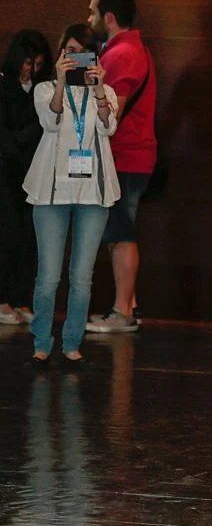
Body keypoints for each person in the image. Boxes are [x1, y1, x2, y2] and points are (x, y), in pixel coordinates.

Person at [24, 24, 120, 367]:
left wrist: (96, 91)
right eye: (69, 52)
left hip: (92, 191)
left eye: (82, 53)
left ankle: (72, 342)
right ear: (60, 54)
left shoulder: (105, 91)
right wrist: (63, 82)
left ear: (93, 57)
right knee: (48, 276)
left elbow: (108, 127)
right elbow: (50, 122)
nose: (74, 59)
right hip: (50, 191)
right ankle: (41, 341)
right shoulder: (45, 89)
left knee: (82, 276)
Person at [85, 0, 157, 333]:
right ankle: (129, 306)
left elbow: (111, 115)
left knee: (120, 233)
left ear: (108, 16)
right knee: (119, 230)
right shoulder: (128, 49)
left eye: (93, 11)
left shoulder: (121, 54)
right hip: (131, 157)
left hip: (124, 157)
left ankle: (122, 313)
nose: (89, 17)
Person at [0, 30, 52, 325]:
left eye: (38, 64)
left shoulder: (43, 89)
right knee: (7, 233)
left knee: (29, 237)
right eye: (28, 63)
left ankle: (21, 298)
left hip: (33, 169)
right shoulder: (4, 85)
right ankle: (2, 297)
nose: (31, 69)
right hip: (7, 168)